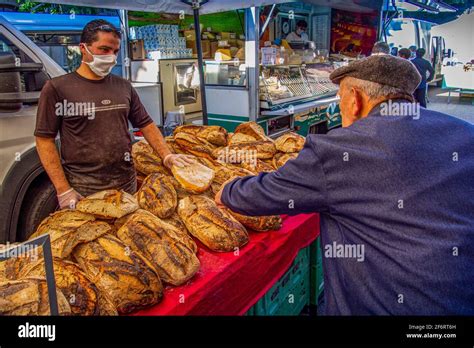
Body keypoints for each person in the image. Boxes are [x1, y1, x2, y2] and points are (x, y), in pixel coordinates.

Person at [216, 54, 474, 315]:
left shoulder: (339, 150)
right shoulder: (466, 133)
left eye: (340, 99)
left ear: (355, 98)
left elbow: (265, 193)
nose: (340, 108)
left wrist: (225, 191)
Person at [35, 20, 194, 209]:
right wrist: (63, 189)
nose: (111, 57)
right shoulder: (57, 88)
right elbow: (44, 140)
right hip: (84, 188)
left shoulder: (123, 86)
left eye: (115, 51)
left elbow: (146, 124)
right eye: (104, 49)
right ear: (83, 48)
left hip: (126, 184)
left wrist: (167, 156)